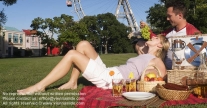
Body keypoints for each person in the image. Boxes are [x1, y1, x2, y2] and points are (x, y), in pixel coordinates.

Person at [17, 34, 169, 95]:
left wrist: (149, 77)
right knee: (83, 44)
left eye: (157, 38)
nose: (153, 36)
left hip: (111, 80)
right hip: (110, 71)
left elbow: (161, 76)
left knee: (71, 54)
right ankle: (72, 82)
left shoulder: (156, 60)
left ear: (160, 46)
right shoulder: (144, 53)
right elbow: (139, 42)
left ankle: (39, 86)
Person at [135, 0, 201, 70]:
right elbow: (157, 39)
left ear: (180, 16)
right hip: (162, 63)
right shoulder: (169, 32)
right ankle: (149, 70)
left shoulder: (193, 32)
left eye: (169, 16)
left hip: (182, 67)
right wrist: (147, 30)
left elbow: (201, 54)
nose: (167, 18)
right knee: (139, 45)